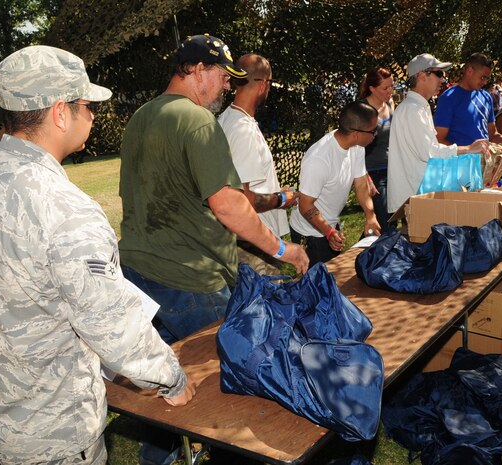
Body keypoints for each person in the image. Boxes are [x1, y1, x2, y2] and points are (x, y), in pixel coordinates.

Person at [0, 45, 195, 465]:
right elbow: (113, 326)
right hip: (54, 430)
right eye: (86, 105)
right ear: (59, 112)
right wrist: (171, 378)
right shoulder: (64, 208)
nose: (91, 115)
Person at [119, 34, 308, 465]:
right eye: (223, 76)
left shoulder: (142, 116)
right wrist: (284, 249)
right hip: (192, 277)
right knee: (224, 386)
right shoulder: (198, 121)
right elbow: (230, 205)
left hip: (136, 273)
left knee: (162, 379)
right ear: (198, 71)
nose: (226, 87)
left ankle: (160, 457)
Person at [217, 53, 297, 274]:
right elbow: (244, 199)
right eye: (270, 82)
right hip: (255, 243)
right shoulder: (243, 130)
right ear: (263, 85)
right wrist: (282, 199)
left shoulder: (227, 120)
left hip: (241, 238)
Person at [387, 53, 489, 214]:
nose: (443, 79)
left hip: (419, 196)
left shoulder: (418, 107)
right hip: (415, 199)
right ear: (421, 76)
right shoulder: (413, 110)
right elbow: (431, 153)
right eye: (439, 74)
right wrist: (468, 149)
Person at [289, 101, 381, 267]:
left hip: (329, 225)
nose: (375, 135)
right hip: (310, 233)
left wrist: (370, 215)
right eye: (373, 131)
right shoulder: (320, 159)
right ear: (356, 133)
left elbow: (360, 184)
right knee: (317, 285)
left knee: (332, 280)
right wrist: (328, 232)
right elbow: (305, 205)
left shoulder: (357, 146)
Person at [434, 53, 502, 147]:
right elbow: (439, 139)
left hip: (484, 160)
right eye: (483, 77)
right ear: (469, 70)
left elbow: (492, 135)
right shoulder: (448, 98)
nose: (485, 82)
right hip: (460, 161)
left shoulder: (486, 97)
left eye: (487, 78)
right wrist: (468, 152)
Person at [359, 67, 394, 233]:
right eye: (385, 88)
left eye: (392, 86)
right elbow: (354, 147)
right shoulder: (362, 109)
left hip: (392, 170)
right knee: (385, 223)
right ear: (372, 88)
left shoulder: (390, 104)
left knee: (391, 220)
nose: (390, 91)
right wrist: (364, 176)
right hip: (373, 173)